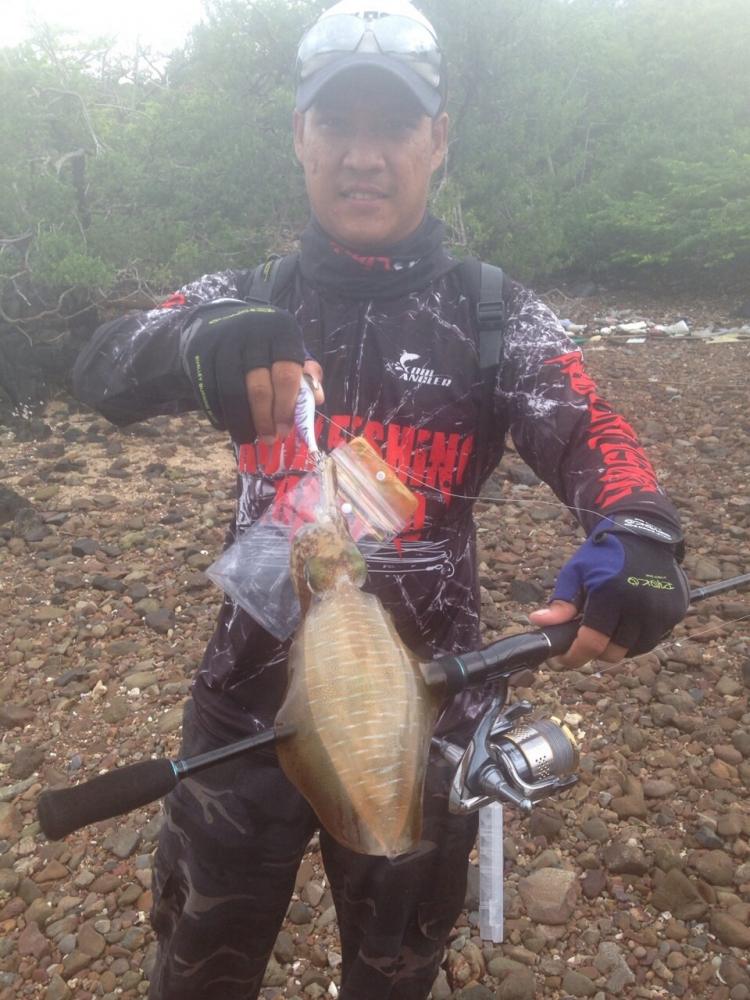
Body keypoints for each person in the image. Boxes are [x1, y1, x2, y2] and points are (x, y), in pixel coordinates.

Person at [72, 2, 689, 997]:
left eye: (393, 125)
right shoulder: (248, 295)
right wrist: (196, 345)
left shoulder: (495, 316)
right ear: (299, 137)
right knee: (197, 966)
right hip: (246, 709)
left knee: (396, 973)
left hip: (430, 711)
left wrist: (640, 529)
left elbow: (590, 429)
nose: (364, 155)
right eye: (338, 124)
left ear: (438, 141)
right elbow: (99, 365)